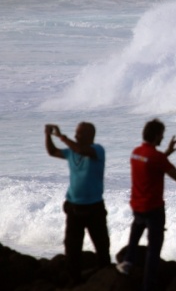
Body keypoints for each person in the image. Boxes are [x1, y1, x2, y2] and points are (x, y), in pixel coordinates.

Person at [117, 118, 176, 291]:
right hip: (154, 209)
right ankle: (148, 286)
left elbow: (152, 161)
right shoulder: (157, 157)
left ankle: (127, 263)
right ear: (157, 135)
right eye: (162, 135)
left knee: (134, 238)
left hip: (137, 206)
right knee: (153, 250)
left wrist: (168, 152)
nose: (163, 138)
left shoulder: (136, 153)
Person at [45, 122, 111, 285]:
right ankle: (75, 282)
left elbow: (81, 150)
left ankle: (106, 280)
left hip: (94, 208)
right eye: (76, 133)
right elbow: (52, 151)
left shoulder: (97, 150)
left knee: (102, 247)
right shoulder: (71, 152)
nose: (75, 136)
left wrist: (61, 137)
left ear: (90, 136)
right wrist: (47, 135)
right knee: (72, 248)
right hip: (74, 207)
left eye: (79, 134)